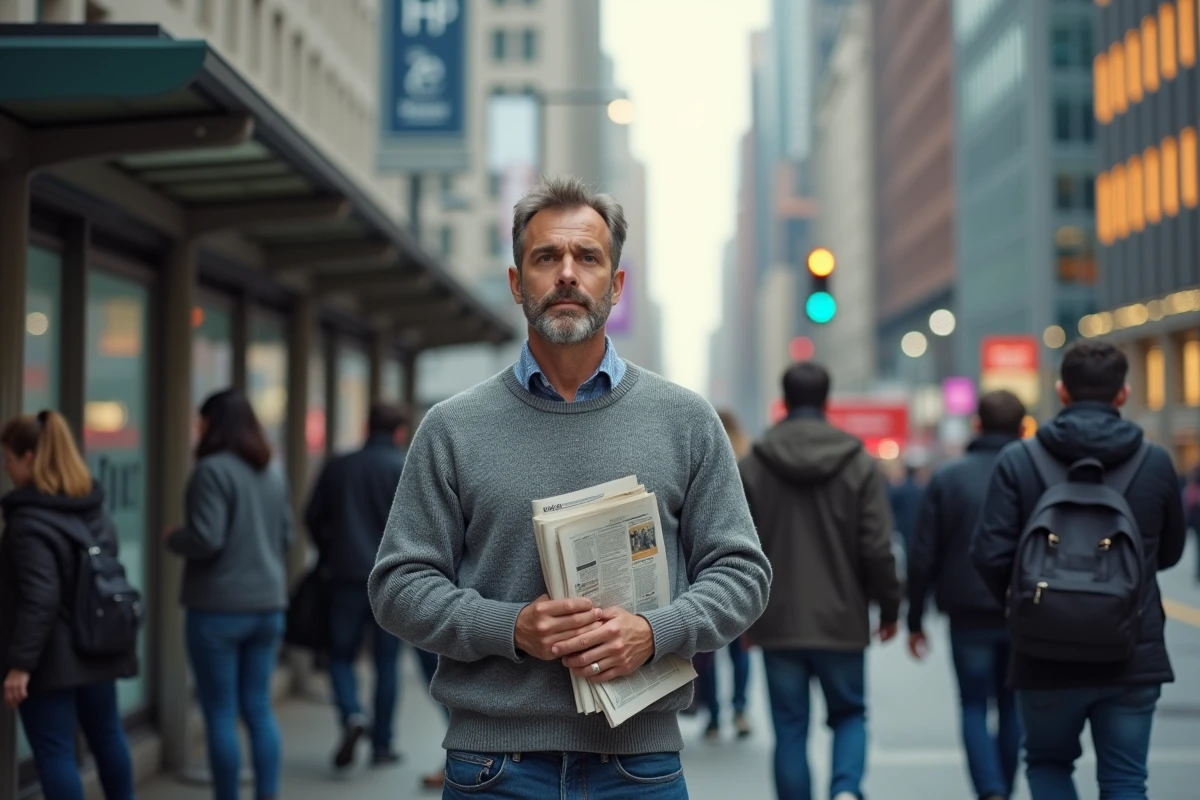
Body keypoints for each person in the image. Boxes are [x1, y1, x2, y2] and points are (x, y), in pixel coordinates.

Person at [368, 175, 771, 799]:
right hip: (493, 766)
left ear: (615, 285)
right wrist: (510, 628)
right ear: (515, 281)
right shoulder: (451, 428)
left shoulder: (685, 420)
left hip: (639, 767)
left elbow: (742, 572)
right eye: (545, 257)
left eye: (587, 257)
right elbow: (397, 586)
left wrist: (655, 632)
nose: (566, 274)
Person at [972, 341, 1186, 800]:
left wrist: (1025, 606)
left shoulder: (1018, 460)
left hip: (1044, 653)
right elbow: (1169, 553)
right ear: (1124, 394)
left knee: (1048, 764)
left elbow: (989, 554)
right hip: (1132, 650)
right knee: (1126, 778)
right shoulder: (1155, 463)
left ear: (1061, 392)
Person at [739, 362, 901, 800]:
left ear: (784, 401)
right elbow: (876, 547)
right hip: (842, 620)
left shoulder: (754, 463)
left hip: (777, 621)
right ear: (828, 402)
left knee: (790, 729)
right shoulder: (858, 462)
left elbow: (736, 549)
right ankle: (846, 790)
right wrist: (889, 609)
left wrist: (743, 619)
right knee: (849, 715)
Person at [0, 411, 138, 800]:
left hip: (52, 659)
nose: (6, 469)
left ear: (29, 458)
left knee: (55, 753)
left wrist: (20, 665)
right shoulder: (93, 507)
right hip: (98, 642)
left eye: (8, 459)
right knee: (109, 736)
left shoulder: (27, 521)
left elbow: (41, 596)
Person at [305, 402, 443, 784]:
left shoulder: (338, 466)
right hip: (389, 582)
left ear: (366, 426)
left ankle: (351, 713)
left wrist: (332, 551)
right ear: (400, 432)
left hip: (345, 577)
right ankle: (382, 744)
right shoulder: (403, 467)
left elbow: (312, 518)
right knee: (386, 662)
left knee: (341, 654)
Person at [167, 390, 294, 800]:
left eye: (200, 420)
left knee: (220, 712)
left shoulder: (211, 471)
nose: (196, 428)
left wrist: (174, 538)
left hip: (218, 609)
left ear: (212, 424)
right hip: (268, 606)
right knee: (257, 709)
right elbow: (287, 536)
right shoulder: (273, 472)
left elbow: (207, 537)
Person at [906, 390, 1026, 800]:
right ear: (1023, 428)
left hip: (967, 611)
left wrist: (915, 619)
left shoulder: (948, 476)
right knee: (1013, 705)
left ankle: (989, 791)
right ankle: (1004, 788)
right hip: (1025, 609)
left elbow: (923, 555)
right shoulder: (1037, 475)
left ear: (977, 425)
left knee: (973, 704)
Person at [694, 409, 754, 742]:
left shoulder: (708, 461)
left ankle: (714, 717)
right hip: (741, 572)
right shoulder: (746, 465)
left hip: (705, 573)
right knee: (741, 650)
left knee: (710, 654)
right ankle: (741, 711)